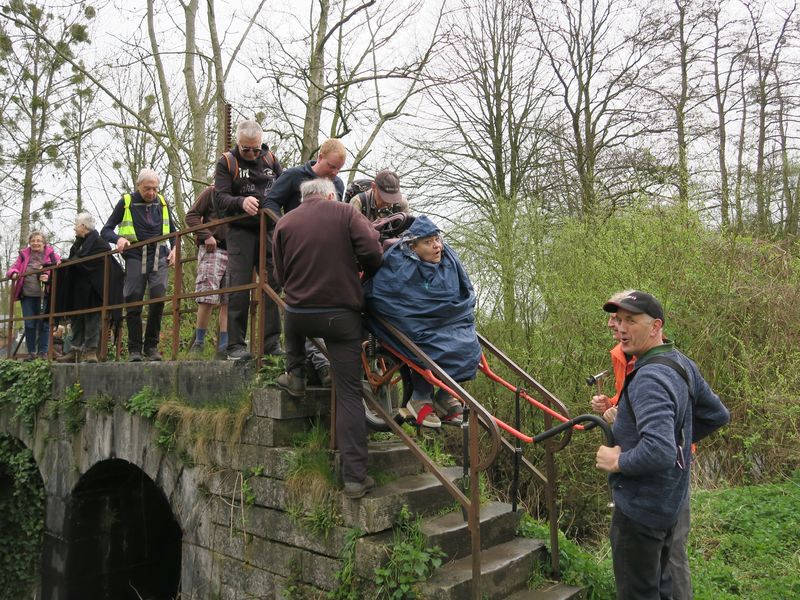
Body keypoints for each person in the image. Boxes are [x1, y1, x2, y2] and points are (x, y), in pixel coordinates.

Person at [594, 290, 729, 600]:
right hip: (669, 501)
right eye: (618, 320)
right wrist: (680, 441)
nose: (622, 328)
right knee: (662, 589)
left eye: (631, 320)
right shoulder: (679, 361)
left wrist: (619, 461)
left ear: (655, 326)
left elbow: (659, 450)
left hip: (641, 510)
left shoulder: (649, 377)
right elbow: (717, 415)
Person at [272, 178, 383, 499]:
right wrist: (362, 273)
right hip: (341, 315)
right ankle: (354, 479)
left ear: (303, 197)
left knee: (290, 316)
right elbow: (373, 251)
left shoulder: (285, 222)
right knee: (348, 393)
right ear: (330, 195)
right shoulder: (346, 213)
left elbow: (278, 276)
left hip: (299, 314)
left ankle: (295, 375)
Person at [364, 215, 481, 428]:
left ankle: (445, 395)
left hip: (449, 320)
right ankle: (419, 397)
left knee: (469, 347)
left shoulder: (449, 261)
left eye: (437, 239)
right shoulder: (399, 264)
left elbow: (464, 293)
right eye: (428, 242)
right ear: (413, 246)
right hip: (415, 324)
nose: (437, 246)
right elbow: (384, 295)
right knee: (426, 348)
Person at [264, 138, 348, 385]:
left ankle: (307, 370)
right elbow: (269, 202)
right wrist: (285, 227)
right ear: (320, 157)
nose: (334, 173)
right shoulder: (293, 176)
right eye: (331, 167)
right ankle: (317, 366)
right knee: (298, 304)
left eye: (339, 169)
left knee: (314, 306)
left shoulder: (338, 184)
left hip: (326, 254)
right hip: (296, 250)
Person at [214, 120, 283, 361]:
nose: (253, 154)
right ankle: (235, 345)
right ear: (238, 145)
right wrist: (240, 202)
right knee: (239, 287)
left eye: (256, 149)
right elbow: (219, 198)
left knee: (274, 284)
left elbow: (284, 189)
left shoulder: (271, 160)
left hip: (269, 229)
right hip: (240, 231)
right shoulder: (227, 162)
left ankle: (271, 343)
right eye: (247, 150)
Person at [101, 168, 177, 362]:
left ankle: (151, 346)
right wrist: (118, 239)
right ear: (138, 186)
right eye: (147, 189)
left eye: (154, 188)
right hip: (135, 255)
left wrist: (175, 248)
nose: (151, 193)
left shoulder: (162, 202)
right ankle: (134, 349)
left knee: (158, 299)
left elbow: (174, 231)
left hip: (159, 256)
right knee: (133, 300)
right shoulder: (126, 202)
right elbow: (105, 230)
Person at [54, 213, 124, 363]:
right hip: (79, 290)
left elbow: (93, 264)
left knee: (92, 320)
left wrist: (71, 262)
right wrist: (66, 263)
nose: (74, 228)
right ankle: (74, 351)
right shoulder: (78, 244)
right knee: (77, 320)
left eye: (76, 225)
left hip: (94, 290)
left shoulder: (99, 243)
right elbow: (76, 260)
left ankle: (91, 352)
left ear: (83, 226)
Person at [185, 185, 229, 359]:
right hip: (213, 248)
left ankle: (224, 346)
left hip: (236, 250)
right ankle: (199, 343)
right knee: (207, 296)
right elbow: (191, 216)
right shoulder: (211, 192)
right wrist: (206, 235)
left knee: (230, 299)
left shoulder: (241, 195)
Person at [6, 231, 61, 360]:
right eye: (33, 241)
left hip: (45, 294)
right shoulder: (24, 255)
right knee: (29, 324)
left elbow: (59, 269)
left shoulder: (52, 255)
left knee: (45, 324)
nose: (36, 243)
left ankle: (43, 352)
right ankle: (31, 352)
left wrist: (48, 276)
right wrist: (14, 273)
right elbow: (12, 269)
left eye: (39, 241)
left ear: (44, 243)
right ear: (30, 242)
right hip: (28, 295)